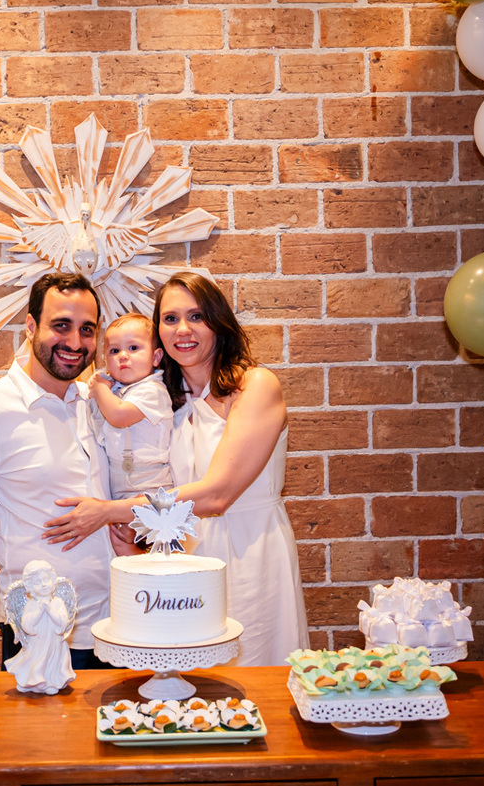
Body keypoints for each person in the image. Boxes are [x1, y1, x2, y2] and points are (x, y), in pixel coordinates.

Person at [43, 271, 309, 665]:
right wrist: (139, 542)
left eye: (196, 316)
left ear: (219, 322)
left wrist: (108, 511)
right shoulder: (169, 405)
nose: (182, 329)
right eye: (170, 319)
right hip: (186, 558)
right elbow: (162, 484)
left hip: (251, 552)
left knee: (255, 675)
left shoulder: (255, 386)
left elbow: (217, 496)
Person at [0, 272, 132, 671]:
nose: (75, 342)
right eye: (60, 326)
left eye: (87, 330)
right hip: (42, 632)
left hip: (118, 625)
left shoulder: (94, 403)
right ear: (31, 326)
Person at [88, 312, 174, 500]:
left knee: (150, 526)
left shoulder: (153, 390)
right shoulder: (116, 391)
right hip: (119, 487)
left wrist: (99, 388)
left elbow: (119, 416)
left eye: (133, 348)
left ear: (156, 357)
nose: (123, 356)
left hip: (150, 486)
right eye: (114, 351)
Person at [5, 560, 76, 695]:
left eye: (46, 579)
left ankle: (51, 682)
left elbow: (63, 622)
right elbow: (27, 624)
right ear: (30, 587)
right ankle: (28, 682)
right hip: (38, 641)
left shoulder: (57, 602)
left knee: (52, 661)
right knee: (35, 661)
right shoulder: (31, 604)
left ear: (53, 580)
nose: (43, 584)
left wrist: (50, 610)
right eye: (37, 582)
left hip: (54, 641)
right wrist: (39, 611)